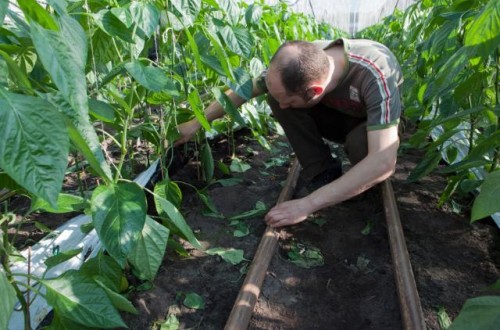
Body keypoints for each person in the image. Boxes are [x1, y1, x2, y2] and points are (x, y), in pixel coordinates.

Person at [175, 38, 403, 228]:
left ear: (315, 91)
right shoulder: (298, 63)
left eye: (290, 101)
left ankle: (354, 182)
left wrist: (308, 204)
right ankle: (323, 173)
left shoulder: (375, 73)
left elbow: (383, 161)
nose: (282, 109)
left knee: (361, 147)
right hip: (333, 115)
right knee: (277, 97)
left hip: (368, 128)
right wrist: (196, 123)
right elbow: (243, 91)